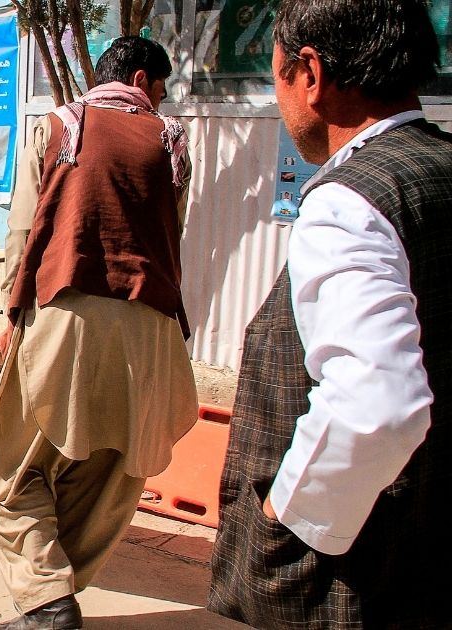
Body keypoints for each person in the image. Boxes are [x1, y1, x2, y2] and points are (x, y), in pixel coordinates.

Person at [208, 1, 450, 627]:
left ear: (310, 74)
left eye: (277, 77)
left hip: (345, 579)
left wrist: (285, 518)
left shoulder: (348, 201)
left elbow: (377, 402)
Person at [0, 37, 196, 630]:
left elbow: (22, 238)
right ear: (144, 79)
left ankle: (47, 604)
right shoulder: (172, 142)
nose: (162, 99)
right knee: (111, 476)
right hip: (151, 331)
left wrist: (10, 318)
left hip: (66, 320)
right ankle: (54, 597)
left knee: (13, 478)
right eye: (162, 87)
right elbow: (173, 232)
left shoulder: (58, 126)